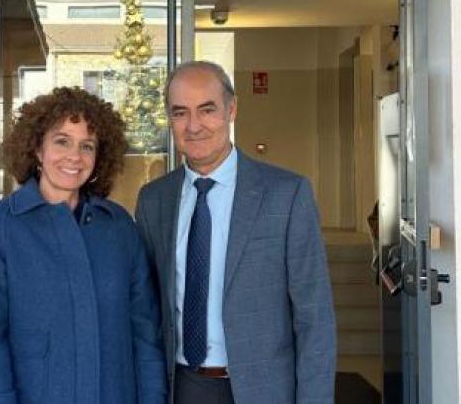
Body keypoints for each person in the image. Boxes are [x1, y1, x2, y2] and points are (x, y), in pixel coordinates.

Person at [134, 61, 336, 404]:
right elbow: (148, 311)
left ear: (232, 109)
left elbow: (314, 318)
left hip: (265, 391)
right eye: (180, 113)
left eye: (207, 110)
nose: (193, 125)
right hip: (181, 388)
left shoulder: (287, 194)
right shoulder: (154, 200)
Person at [0, 87, 167, 404]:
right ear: (37, 150)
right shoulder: (0, 226)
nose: (75, 156)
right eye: (62, 141)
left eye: (87, 146)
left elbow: (145, 332)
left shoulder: (119, 228)